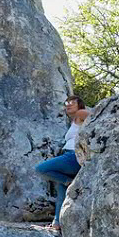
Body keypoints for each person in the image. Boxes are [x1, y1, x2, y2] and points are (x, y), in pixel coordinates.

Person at [35, 95, 89, 230]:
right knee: (62, 193)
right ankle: (57, 223)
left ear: (80, 105)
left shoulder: (81, 113)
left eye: (72, 102)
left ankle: (68, 181)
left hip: (73, 156)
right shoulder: (74, 120)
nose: (68, 104)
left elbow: (95, 115)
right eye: (67, 102)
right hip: (69, 156)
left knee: (40, 169)